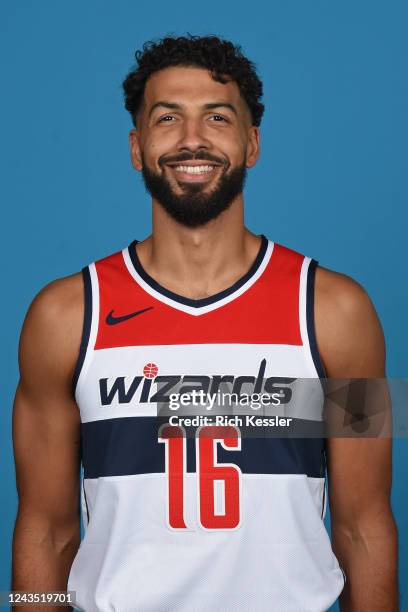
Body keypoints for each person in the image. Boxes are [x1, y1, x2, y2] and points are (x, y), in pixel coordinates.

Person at [12, 35, 398, 611]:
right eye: (168, 118)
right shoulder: (64, 316)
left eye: (217, 118)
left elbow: (363, 527)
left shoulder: (339, 311)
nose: (192, 139)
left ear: (252, 144)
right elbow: (46, 528)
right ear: (137, 147)